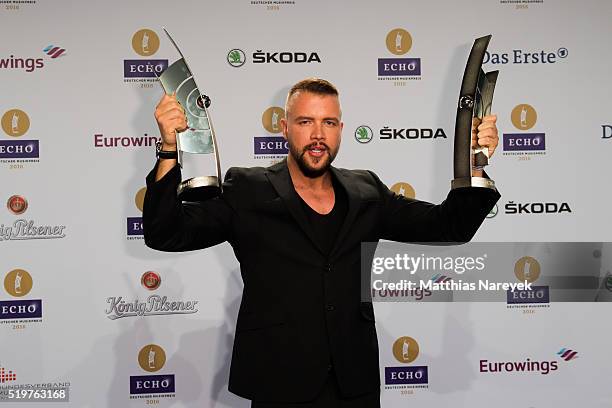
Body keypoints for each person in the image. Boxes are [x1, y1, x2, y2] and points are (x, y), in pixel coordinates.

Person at [144, 78, 500, 407]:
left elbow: (449, 227)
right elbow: (166, 233)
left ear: (341, 129)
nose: (318, 135)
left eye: (329, 123)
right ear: (284, 128)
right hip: (279, 384)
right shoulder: (246, 189)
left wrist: (475, 166)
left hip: (354, 385)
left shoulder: (366, 191)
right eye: (305, 122)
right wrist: (169, 148)